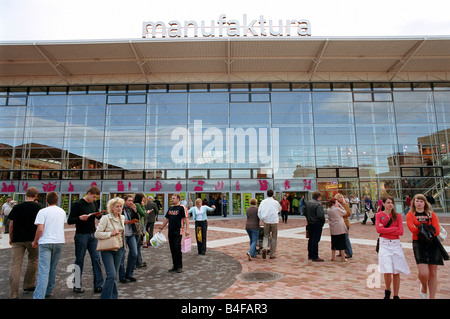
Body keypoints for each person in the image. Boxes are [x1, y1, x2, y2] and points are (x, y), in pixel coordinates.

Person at [407, 194, 446, 299]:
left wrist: (421, 228)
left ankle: (431, 297)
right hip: (419, 244)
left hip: (432, 243)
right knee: (424, 273)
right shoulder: (410, 214)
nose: (419, 203)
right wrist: (427, 228)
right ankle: (424, 286)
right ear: (413, 203)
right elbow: (412, 229)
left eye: (421, 201)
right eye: (417, 201)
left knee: (433, 272)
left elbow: (436, 231)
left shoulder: (431, 215)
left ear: (425, 203)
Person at [67, 185, 103, 293]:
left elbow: (97, 216)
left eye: (96, 197)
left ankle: (98, 285)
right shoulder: (77, 204)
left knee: (96, 259)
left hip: (93, 234)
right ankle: (77, 285)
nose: (94, 199)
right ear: (88, 193)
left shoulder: (93, 203)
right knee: (79, 260)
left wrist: (98, 215)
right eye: (93, 197)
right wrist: (79, 218)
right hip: (81, 235)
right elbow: (70, 220)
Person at [8, 187, 41, 299]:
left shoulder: (17, 207)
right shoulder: (38, 207)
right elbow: (40, 225)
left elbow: (11, 224)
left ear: (26, 194)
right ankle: (28, 284)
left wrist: (11, 238)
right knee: (33, 260)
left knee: (15, 263)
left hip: (18, 239)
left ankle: (13, 293)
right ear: (36, 195)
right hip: (32, 239)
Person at [32, 192, 66, 299]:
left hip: (45, 242)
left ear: (46, 200)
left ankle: (39, 296)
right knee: (52, 267)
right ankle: (48, 289)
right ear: (57, 200)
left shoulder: (42, 212)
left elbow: (40, 229)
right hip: (59, 241)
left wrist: (35, 241)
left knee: (43, 269)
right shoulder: (62, 212)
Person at [376, 196, 410, 299]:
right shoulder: (379, 215)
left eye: (392, 203)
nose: (390, 204)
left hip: (395, 244)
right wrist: (393, 229)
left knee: (396, 270)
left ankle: (396, 295)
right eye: (388, 202)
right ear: (383, 204)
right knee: (387, 269)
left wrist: (387, 229)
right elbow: (378, 229)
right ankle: (387, 291)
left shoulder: (397, 216)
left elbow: (401, 231)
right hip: (385, 244)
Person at [95, 197, 125, 299]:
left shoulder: (122, 218)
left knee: (114, 276)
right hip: (107, 250)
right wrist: (110, 233)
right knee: (111, 275)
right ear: (111, 208)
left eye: (121, 206)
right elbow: (97, 234)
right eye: (117, 206)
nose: (119, 208)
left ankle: (114, 296)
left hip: (119, 248)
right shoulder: (105, 218)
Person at [158, 193, 190, 273]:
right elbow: (166, 219)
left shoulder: (182, 208)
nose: (172, 199)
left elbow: (186, 219)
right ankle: (174, 265)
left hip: (178, 231)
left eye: (173, 198)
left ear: (178, 199)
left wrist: (187, 230)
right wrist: (161, 227)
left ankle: (179, 266)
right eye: (171, 198)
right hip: (170, 230)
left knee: (177, 247)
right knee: (172, 248)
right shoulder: (171, 208)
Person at [119, 194, 139, 283]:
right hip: (122, 234)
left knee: (134, 253)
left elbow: (137, 219)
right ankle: (122, 276)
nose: (131, 202)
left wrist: (135, 211)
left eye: (132, 201)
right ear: (125, 201)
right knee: (122, 256)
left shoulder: (131, 209)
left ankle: (129, 274)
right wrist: (123, 221)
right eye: (129, 201)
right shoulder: (120, 209)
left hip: (131, 233)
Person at [257, 190, 281, 259]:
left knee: (266, 236)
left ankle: (264, 247)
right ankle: (272, 254)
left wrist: (262, 218)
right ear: (273, 194)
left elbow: (259, 211)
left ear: (266, 194)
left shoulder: (263, 202)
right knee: (274, 237)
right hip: (274, 221)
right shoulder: (275, 202)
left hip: (266, 221)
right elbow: (279, 209)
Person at [305, 191, 325, 262]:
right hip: (317, 223)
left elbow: (305, 213)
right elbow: (320, 215)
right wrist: (322, 222)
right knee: (315, 240)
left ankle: (310, 254)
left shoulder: (308, 203)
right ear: (319, 197)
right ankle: (315, 256)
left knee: (311, 239)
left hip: (310, 222)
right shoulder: (318, 204)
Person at [327, 198, 348, 262]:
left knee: (334, 243)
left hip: (333, 228)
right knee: (342, 243)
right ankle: (343, 258)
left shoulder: (328, 210)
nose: (337, 203)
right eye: (336, 202)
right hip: (339, 227)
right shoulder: (337, 209)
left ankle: (333, 257)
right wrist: (340, 206)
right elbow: (345, 212)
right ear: (333, 203)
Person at [334, 193, 353, 258]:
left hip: (345, 223)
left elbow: (349, 213)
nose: (340, 199)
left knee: (345, 238)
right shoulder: (335, 206)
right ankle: (341, 252)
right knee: (339, 238)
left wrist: (341, 214)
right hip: (338, 224)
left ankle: (349, 252)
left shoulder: (345, 205)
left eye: (341, 197)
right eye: (338, 197)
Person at [134, 193, 147, 268]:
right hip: (139, 227)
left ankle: (139, 261)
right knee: (138, 245)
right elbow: (143, 213)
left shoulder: (137, 205)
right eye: (142, 198)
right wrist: (143, 206)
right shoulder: (138, 205)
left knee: (139, 245)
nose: (143, 200)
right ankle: (138, 262)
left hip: (140, 226)